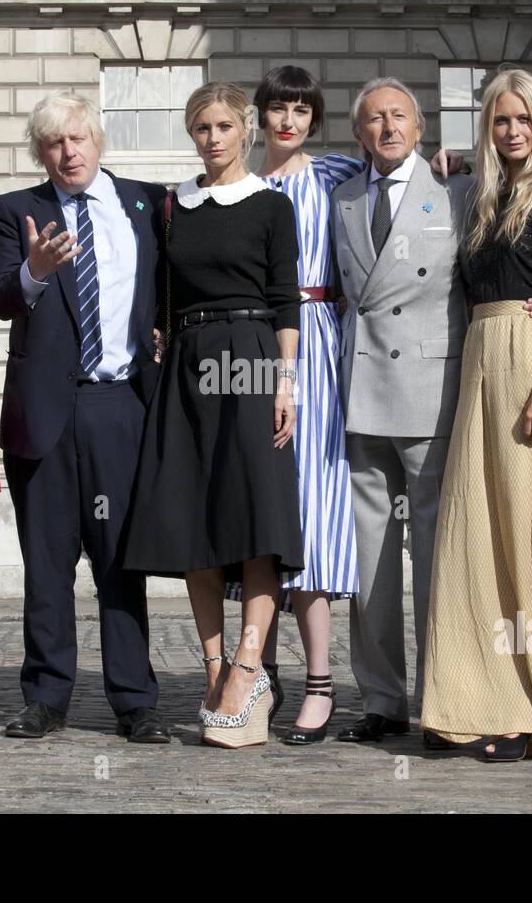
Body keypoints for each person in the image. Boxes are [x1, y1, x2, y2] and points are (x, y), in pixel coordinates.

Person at [420, 68, 532, 761]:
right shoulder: (478, 199)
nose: (513, 130)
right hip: (481, 365)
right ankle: (477, 700)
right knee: (477, 536)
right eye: (501, 120)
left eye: (523, 119)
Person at [122, 81, 303, 749]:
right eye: (202, 127)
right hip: (190, 364)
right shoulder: (174, 207)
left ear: (245, 130)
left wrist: (288, 383)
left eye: (224, 125)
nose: (213, 137)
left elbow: (288, 299)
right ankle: (214, 667)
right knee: (195, 518)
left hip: (254, 355)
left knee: (255, 521)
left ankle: (250, 668)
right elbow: (162, 297)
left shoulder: (271, 206)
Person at [0, 94, 168, 745]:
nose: (68, 152)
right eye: (54, 143)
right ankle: (46, 696)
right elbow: (1, 297)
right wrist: (33, 273)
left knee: (122, 561)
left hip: (121, 405)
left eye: (78, 138)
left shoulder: (148, 205)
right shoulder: (16, 212)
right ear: (41, 153)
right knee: (47, 560)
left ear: (98, 140)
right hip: (45, 410)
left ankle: (134, 700)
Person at [220, 66, 363, 744]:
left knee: (312, 506)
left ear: (313, 118)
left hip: (316, 338)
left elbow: (404, 175)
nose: (287, 120)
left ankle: (319, 679)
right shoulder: (237, 185)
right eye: (277, 108)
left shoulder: (334, 174)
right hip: (249, 344)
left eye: (300, 110)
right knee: (258, 501)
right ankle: (259, 672)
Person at [329, 77, 473, 747]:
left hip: (430, 392)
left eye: (399, 116)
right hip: (363, 397)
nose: (388, 127)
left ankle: (445, 698)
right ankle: (382, 699)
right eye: (374, 120)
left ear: (420, 128)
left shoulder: (457, 191)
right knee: (372, 563)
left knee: (437, 559)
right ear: (358, 134)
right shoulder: (344, 198)